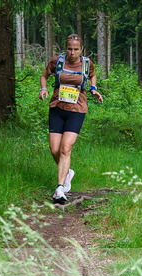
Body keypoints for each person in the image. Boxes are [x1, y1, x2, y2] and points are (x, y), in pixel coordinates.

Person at [40, 34, 103, 204]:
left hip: (77, 109)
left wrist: (93, 88)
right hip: (57, 108)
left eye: (76, 49)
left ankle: (60, 188)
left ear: (81, 49)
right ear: (65, 48)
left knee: (65, 148)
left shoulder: (86, 63)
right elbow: (44, 76)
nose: (72, 52)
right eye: (69, 49)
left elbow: (93, 75)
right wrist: (43, 89)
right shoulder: (57, 61)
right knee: (54, 149)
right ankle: (68, 172)